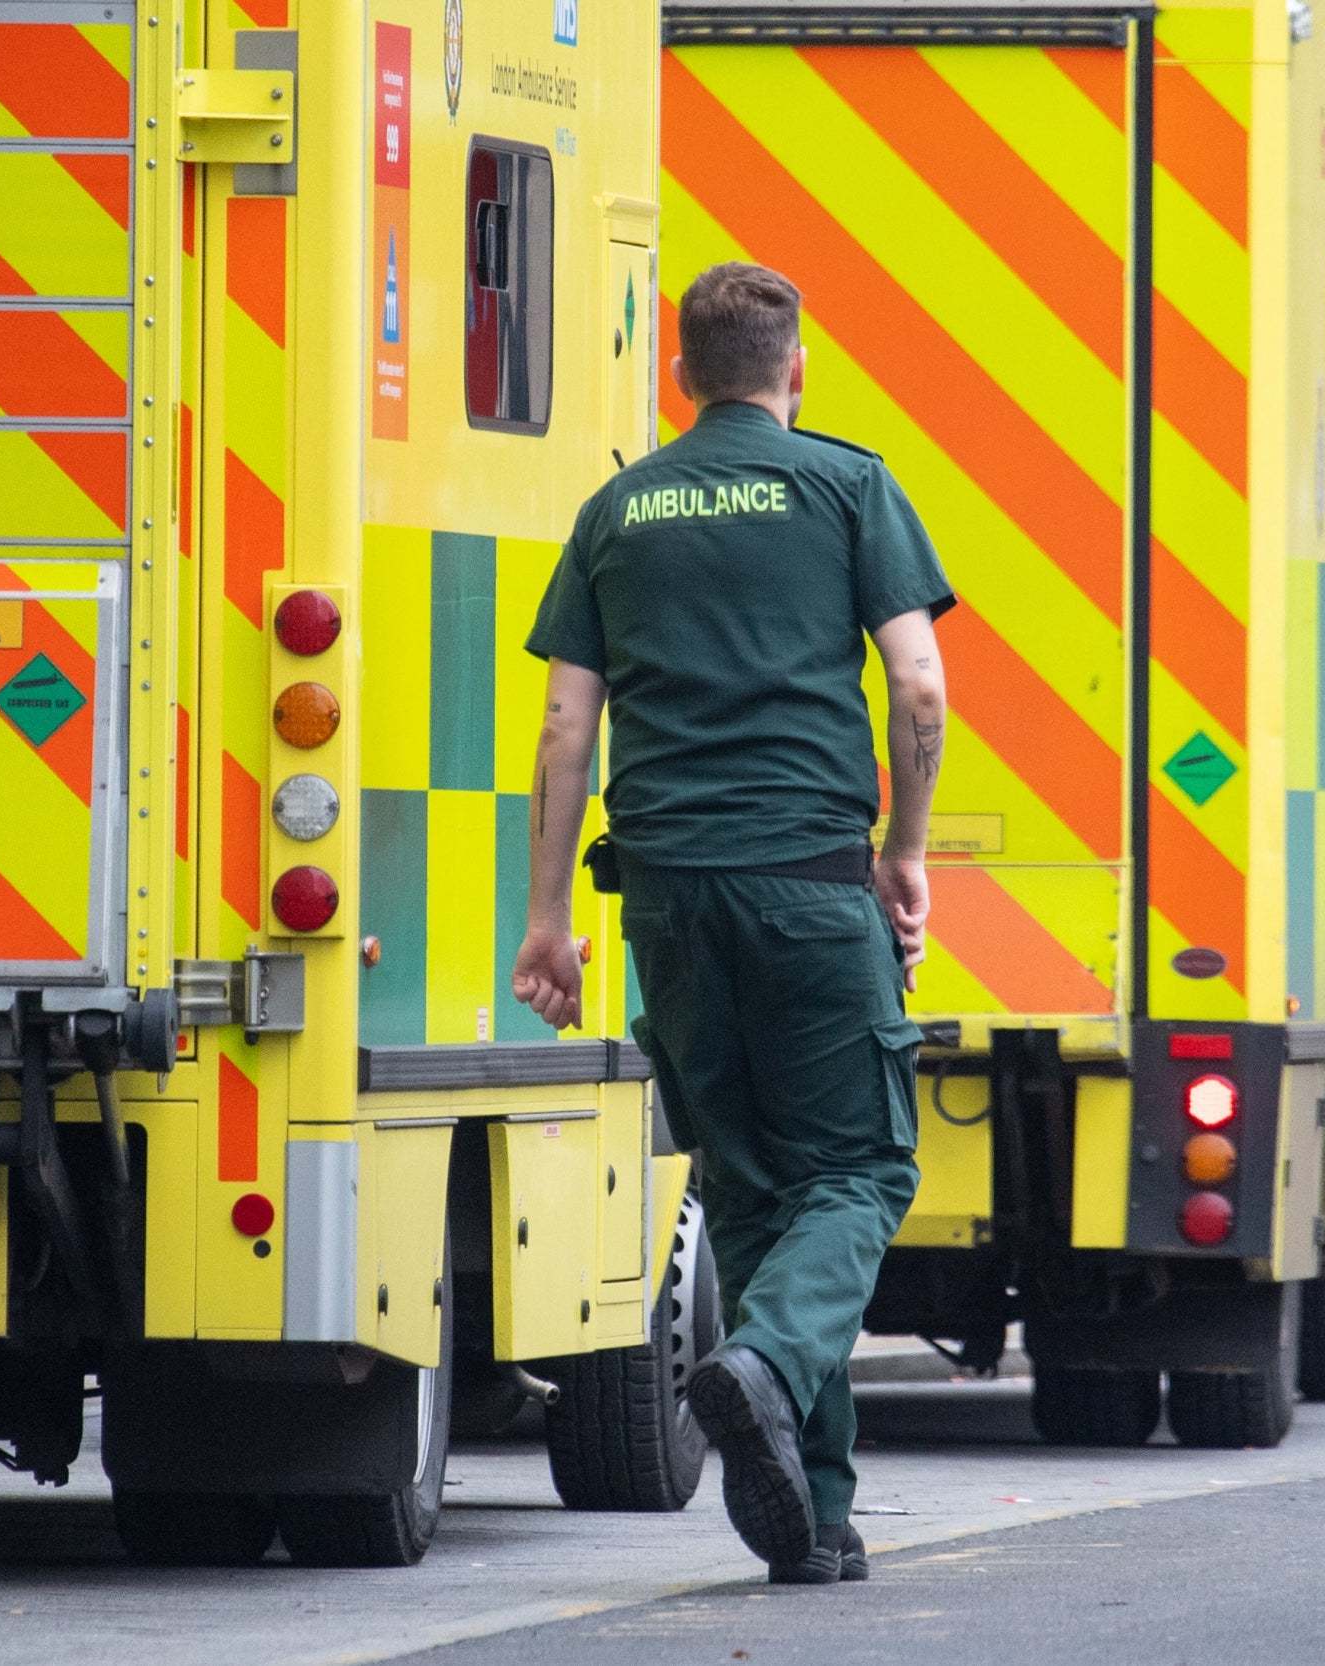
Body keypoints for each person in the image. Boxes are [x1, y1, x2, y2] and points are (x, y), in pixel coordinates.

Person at [511, 261, 951, 1584]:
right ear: (794, 363)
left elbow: (563, 725)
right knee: (862, 1167)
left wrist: (545, 919)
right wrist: (906, 854)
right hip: (812, 880)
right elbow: (917, 686)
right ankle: (759, 1361)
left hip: (664, 896)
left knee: (754, 1183)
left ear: (677, 374)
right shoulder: (845, 483)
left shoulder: (616, 509)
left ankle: (814, 1516)